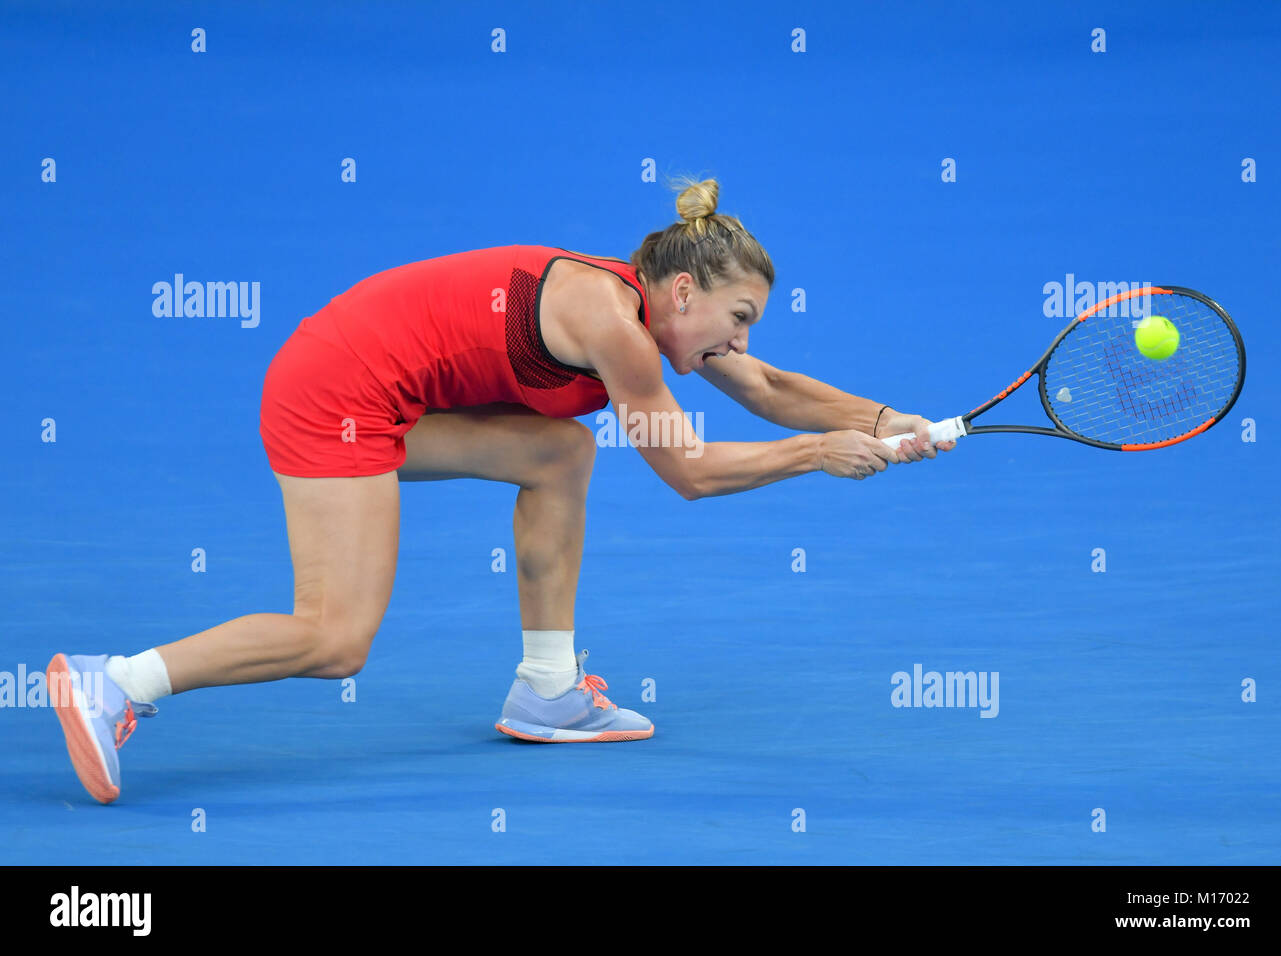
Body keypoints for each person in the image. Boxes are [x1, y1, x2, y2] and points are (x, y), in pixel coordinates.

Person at [47, 177, 955, 804]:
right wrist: (815, 457)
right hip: (336, 393)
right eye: (741, 318)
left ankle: (548, 690)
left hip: (359, 380)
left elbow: (765, 390)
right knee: (335, 637)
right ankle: (115, 682)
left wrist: (889, 422)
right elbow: (689, 473)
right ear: (682, 292)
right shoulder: (621, 333)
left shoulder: (646, 313)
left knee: (559, 453)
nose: (743, 341)